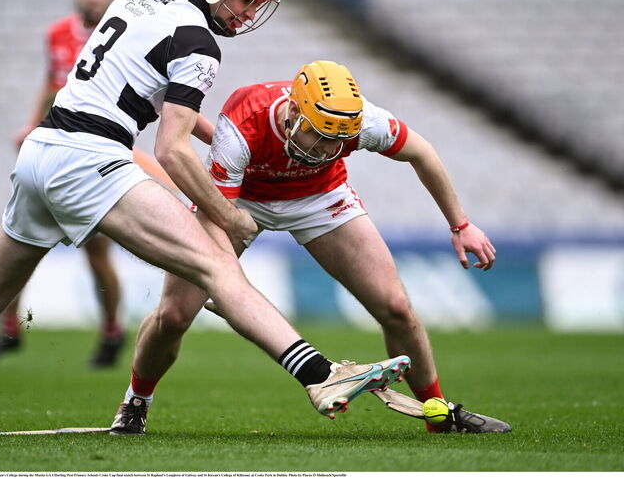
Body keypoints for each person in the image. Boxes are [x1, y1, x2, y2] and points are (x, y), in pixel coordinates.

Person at [0, 0, 410, 438]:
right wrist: (229, 215)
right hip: (91, 157)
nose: (247, 14)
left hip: (42, 151)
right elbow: (171, 149)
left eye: (256, 4)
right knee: (218, 265)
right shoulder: (200, 44)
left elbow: (150, 93)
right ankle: (320, 375)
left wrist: (224, 135)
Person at [109, 60, 511, 435]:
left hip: (320, 197)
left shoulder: (362, 120)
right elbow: (220, 213)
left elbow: (421, 152)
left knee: (395, 307)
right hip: (238, 201)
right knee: (174, 315)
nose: (323, 149)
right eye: (316, 135)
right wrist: (230, 287)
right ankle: (135, 402)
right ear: (293, 113)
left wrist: (460, 225)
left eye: (336, 141)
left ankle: (437, 412)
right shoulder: (243, 124)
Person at [0, 0, 176, 369]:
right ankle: (9, 328)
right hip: (57, 146)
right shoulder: (58, 35)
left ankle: (112, 330)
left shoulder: (126, 33)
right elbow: (52, 85)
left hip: (96, 155)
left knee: (96, 254)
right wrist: (31, 124)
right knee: (21, 243)